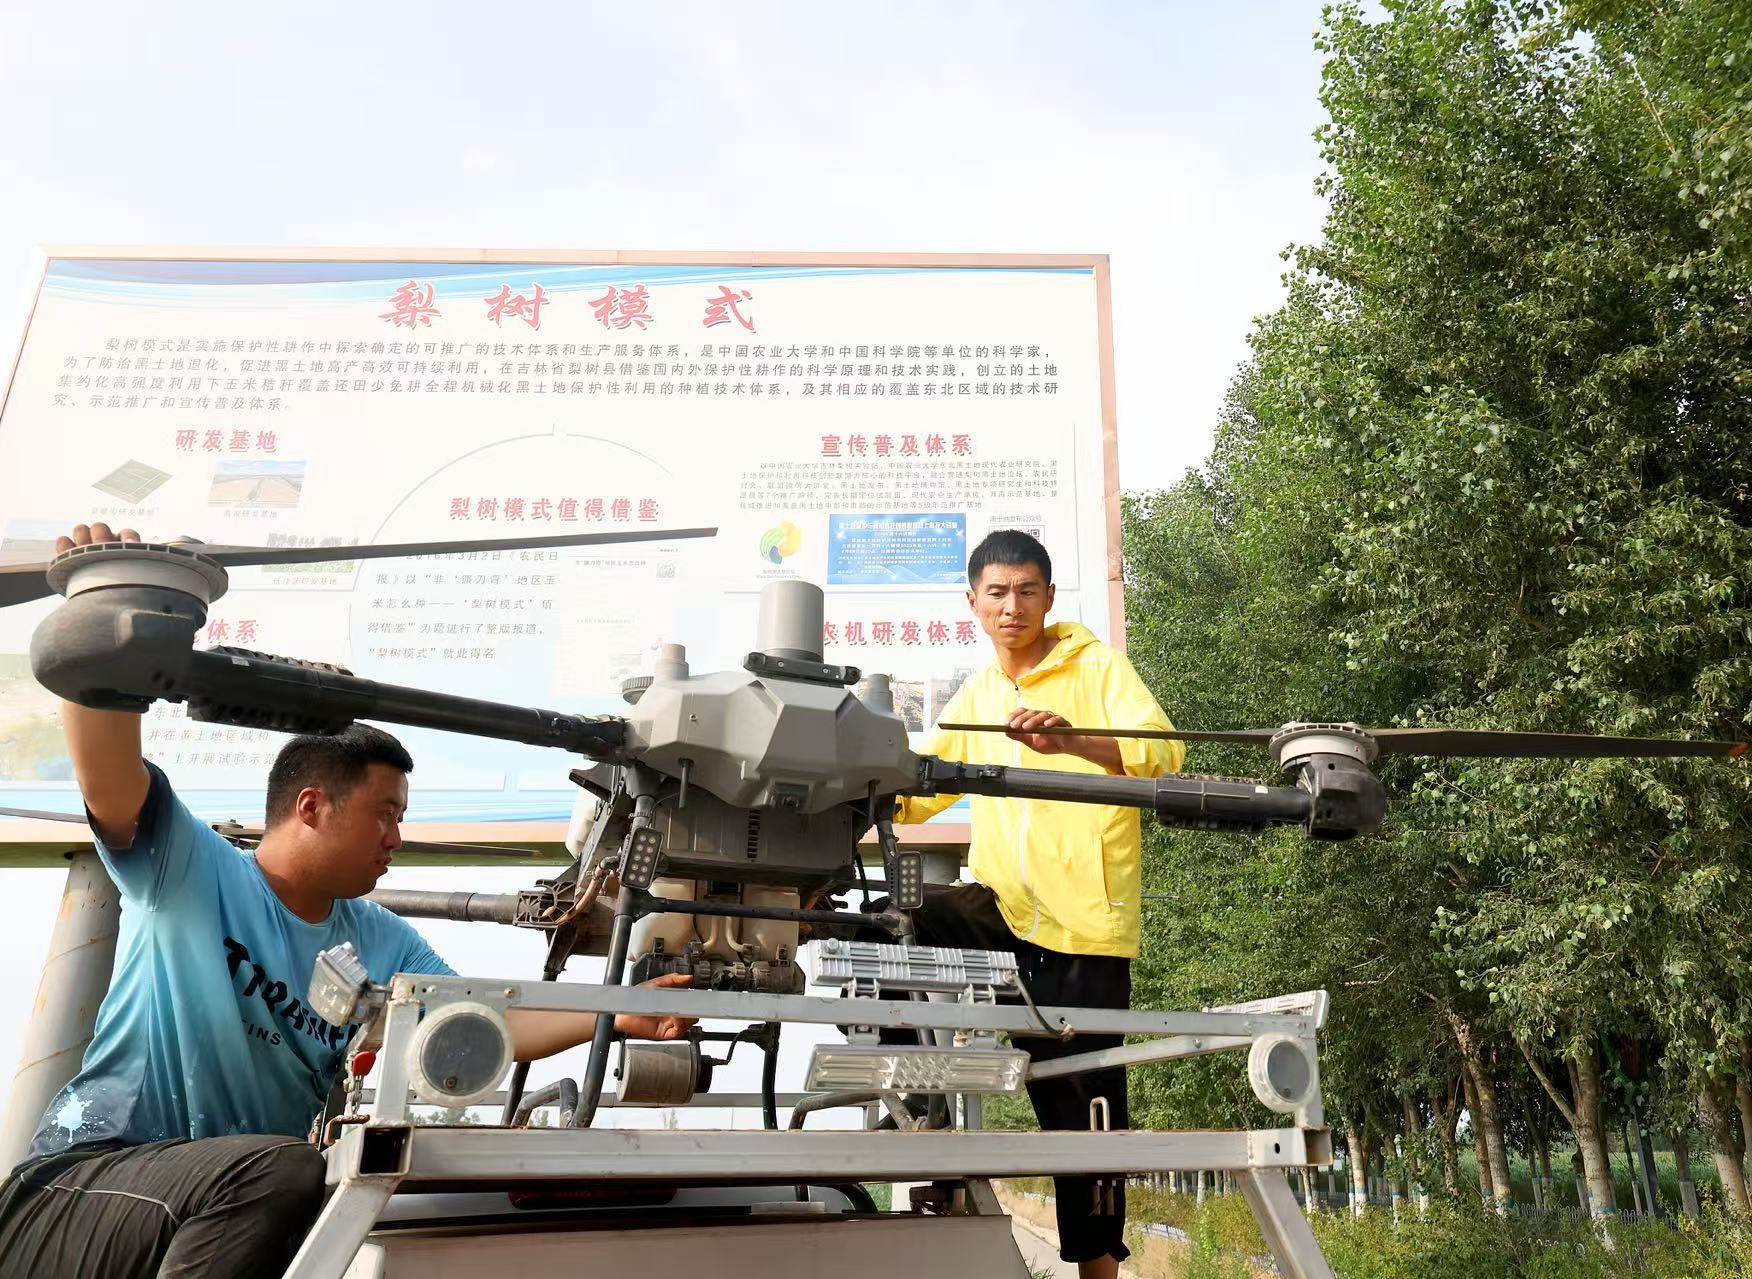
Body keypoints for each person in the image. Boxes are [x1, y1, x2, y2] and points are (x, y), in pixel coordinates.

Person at [0, 522, 694, 1279]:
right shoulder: (191, 868)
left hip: (223, 1202)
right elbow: (107, 771)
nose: (397, 834)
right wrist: (112, 611)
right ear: (311, 806)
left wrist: (614, 1010)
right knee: (291, 1169)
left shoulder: (381, 943)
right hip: (83, 1187)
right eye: (386, 812)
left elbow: (484, 1024)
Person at [897, 529, 1183, 1279]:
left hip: (1084, 930)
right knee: (893, 919)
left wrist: (1078, 742)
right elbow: (922, 792)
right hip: (999, 906)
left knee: (1084, 1124)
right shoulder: (980, 696)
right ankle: (917, 1110)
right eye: (997, 592)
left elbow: (1163, 754)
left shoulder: (1096, 668)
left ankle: (1100, 1272)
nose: (1012, 606)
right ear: (973, 603)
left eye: (1026, 590)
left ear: (1049, 598)